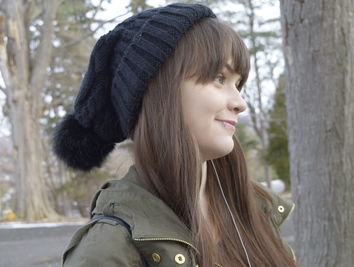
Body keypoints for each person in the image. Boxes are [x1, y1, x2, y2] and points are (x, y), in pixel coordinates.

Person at [53, 3, 296, 267]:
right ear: (161, 93)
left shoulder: (255, 214)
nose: (240, 102)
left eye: (238, 84)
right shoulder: (109, 248)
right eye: (218, 77)